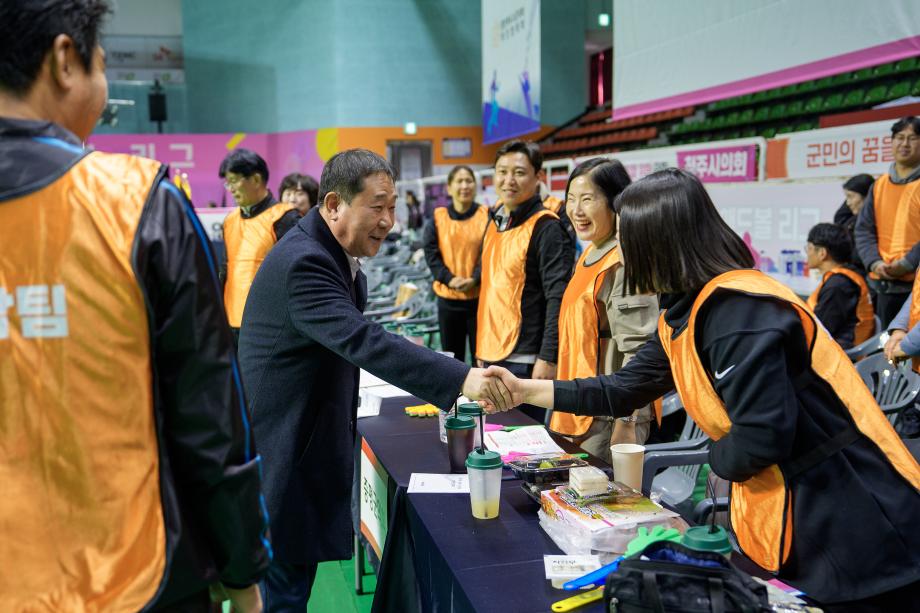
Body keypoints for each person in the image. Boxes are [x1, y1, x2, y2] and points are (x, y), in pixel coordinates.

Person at [484, 169, 920, 611]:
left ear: (658, 242)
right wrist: (524, 390)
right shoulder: (685, 310)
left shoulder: (739, 311)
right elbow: (622, 388)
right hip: (798, 518)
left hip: (858, 525)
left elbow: (761, 437)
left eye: (628, 239)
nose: (622, 253)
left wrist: (715, 456)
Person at [0, 1, 271, 610]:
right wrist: (241, 568)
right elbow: (207, 418)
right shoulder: (138, 203)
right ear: (65, 60)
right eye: (101, 64)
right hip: (135, 577)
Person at [237, 149, 510, 611]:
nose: (388, 221)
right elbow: (364, 341)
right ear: (333, 205)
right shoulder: (306, 262)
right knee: (283, 595)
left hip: (302, 441)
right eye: (377, 207)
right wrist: (463, 378)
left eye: (393, 207)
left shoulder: (330, 254)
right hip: (282, 453)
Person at [548, 158, 658, 460]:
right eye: (571, 198)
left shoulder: (621, 264)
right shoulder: (590, 253)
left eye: (587, 199)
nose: (576, 210)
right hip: (581, 408)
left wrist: (627, 421)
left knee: (606, 490)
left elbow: (640, 353)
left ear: (615, 203)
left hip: (609, 418)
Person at [477, 140, 575, 423]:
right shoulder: (496, 220)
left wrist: (547, 357)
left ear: (538, 177)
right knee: (491, 433)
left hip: (526, 359)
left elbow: (558, 296)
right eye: (502, 171)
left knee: (520, 438)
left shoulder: (547, 226)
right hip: (490, 350)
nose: (509, 180)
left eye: (519, 172)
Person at [219, 148, 299, 339]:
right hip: (231, 322)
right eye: (227, 183)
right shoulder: (229, 221)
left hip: (270, 326)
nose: (230, 189)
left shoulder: (285, 217)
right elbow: (225, 270)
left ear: (255, 179)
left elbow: (296, 274)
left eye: (234, 181)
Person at [855, 116, 920, 326]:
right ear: (891, 142)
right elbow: (863, 230)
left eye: (912, 138)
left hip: (915, 289)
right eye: (900, 137)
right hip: (881, 285)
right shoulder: (879, 185)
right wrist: (875, 263)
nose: (905, 144)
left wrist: (907, 264)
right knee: (883, 344)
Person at [423, 165, 489, 363]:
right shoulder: (437, 218)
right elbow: (431, 255)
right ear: (449, 188)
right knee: (452, 361)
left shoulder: (487, 216)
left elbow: (490, 253)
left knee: (482, 360)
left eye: (469, 181)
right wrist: (449, 279)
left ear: (475, 186)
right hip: (448, 302)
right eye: (459, 181)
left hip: (479, 300)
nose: (464, 186)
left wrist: (475, 279)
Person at [804, 223, 875, 349]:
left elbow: (821, 329)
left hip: (839, 351)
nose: (807, 253)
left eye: (809, 248)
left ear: (822, 253)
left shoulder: (838, 285)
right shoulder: (846, 276)